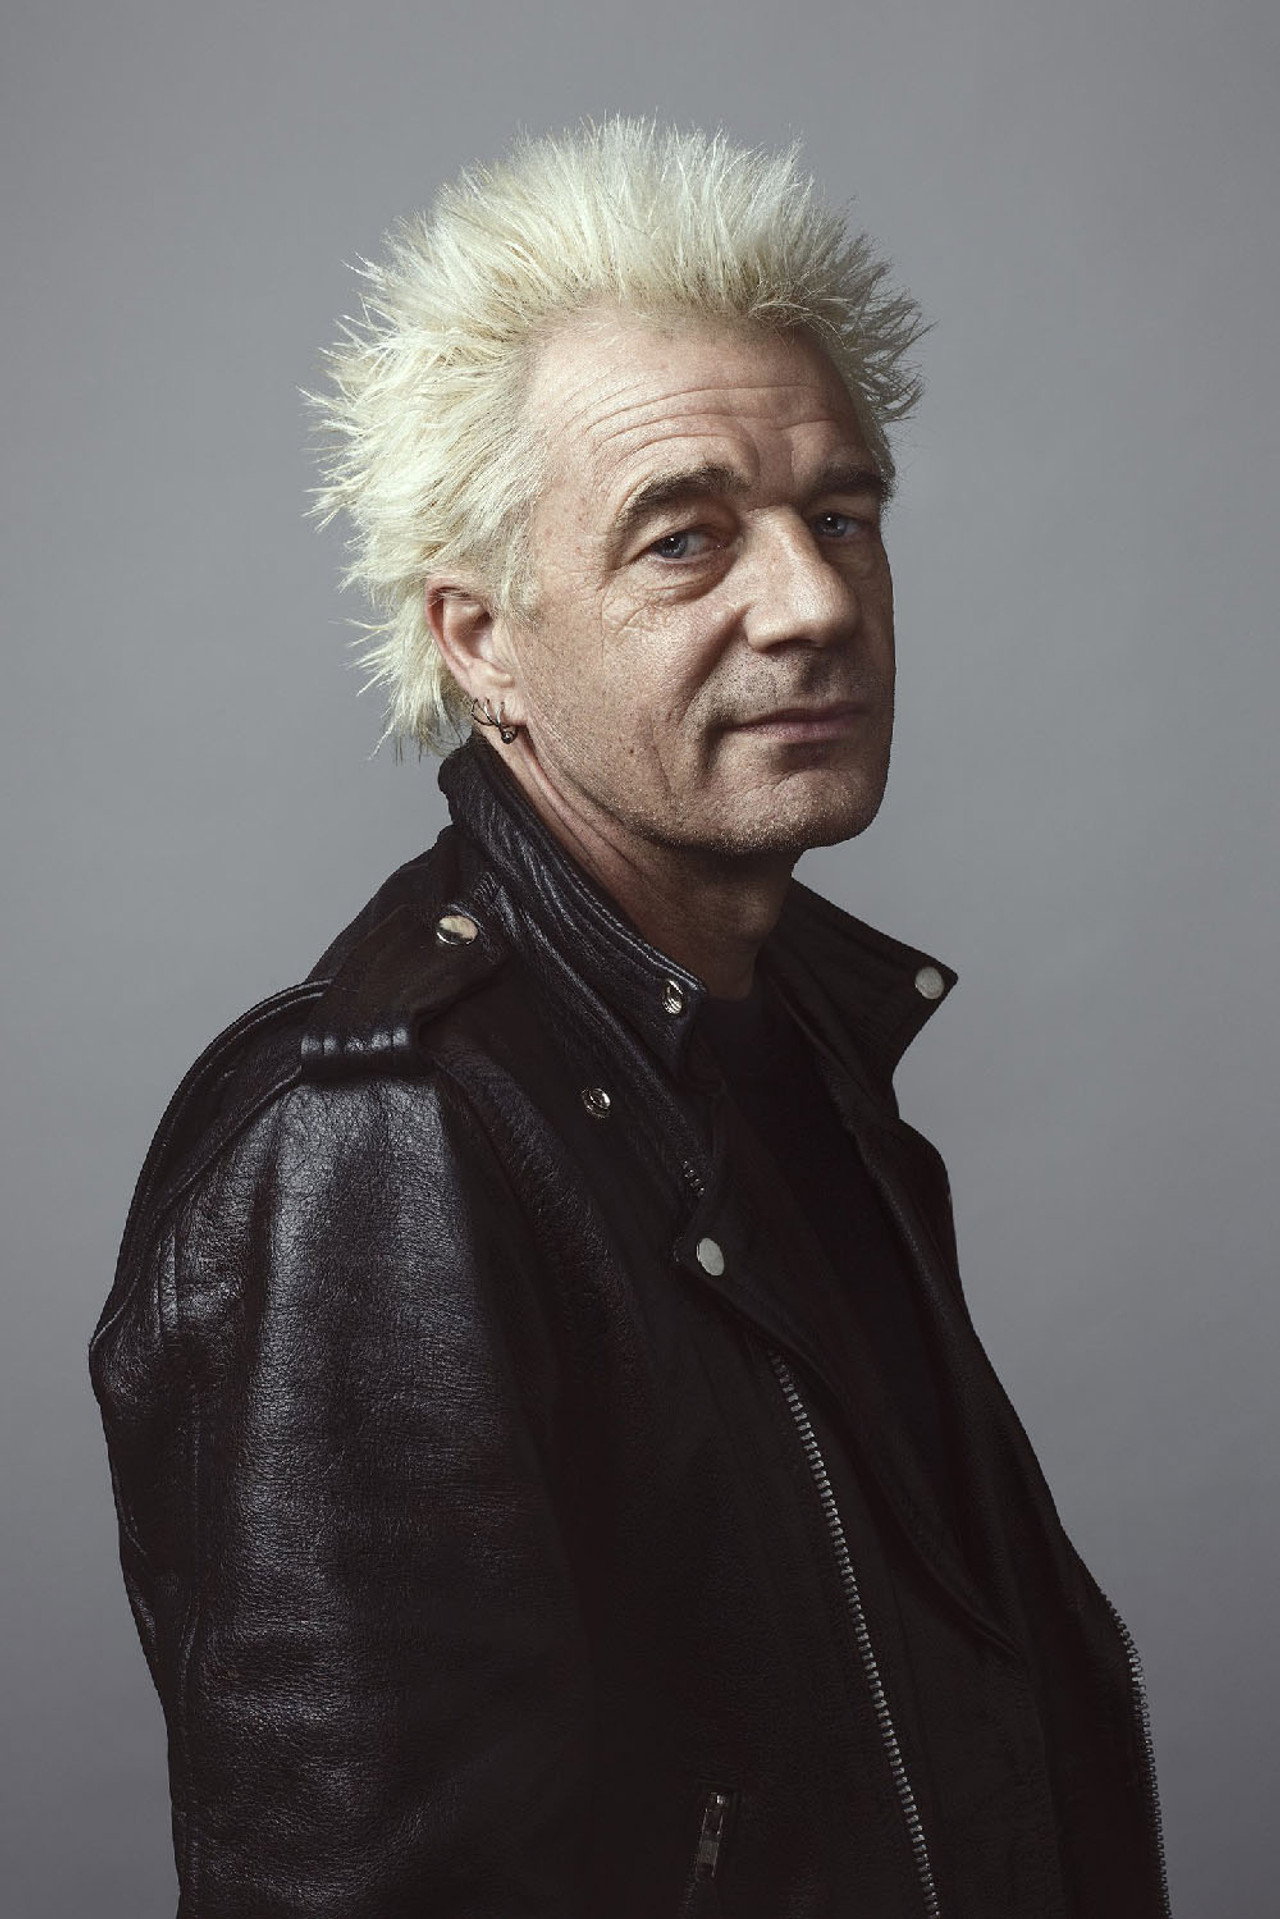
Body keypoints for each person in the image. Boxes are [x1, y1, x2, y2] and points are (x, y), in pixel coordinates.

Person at [90, 120, 1171, 1918]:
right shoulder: (382, 1139)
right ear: (482, 643)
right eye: (686, 541)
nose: (813, 603)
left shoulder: (791, 1043)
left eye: (840, 517)